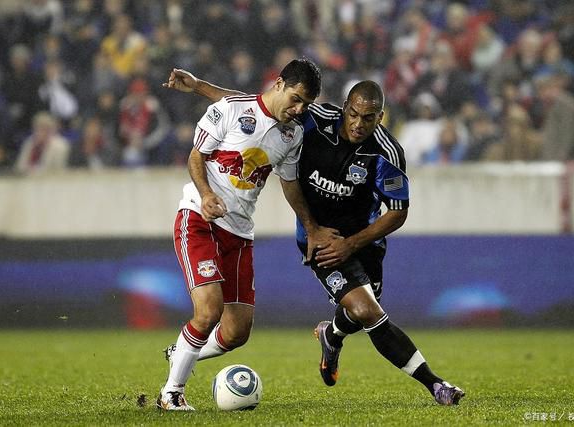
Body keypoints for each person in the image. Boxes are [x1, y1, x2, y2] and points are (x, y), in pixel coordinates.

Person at [163, 68, 466, 406]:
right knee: (367, 312)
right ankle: (436, 385)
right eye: (353, 114)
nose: (358, 124)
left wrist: (350, 244)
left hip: (361, 240)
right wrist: (201, 87)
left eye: (368, 118)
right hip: (319, 240)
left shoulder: (387, 153)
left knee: (352, 316)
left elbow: (398, 211)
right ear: (344, 107)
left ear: (380, 117)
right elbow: (256, 108)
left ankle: (331, 333)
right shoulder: (315, 119)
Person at [157, 58, 338, 411]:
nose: (299, 109)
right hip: (199, 218)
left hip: (239, 234)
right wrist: (207, 194)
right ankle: (171, 394)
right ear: (280, 83)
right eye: (297, 99)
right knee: (209, 312)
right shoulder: (230, 110)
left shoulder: (292, 133)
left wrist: (312, 228)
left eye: (306, 105)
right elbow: (196, 156)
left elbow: (289, 185)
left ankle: (181, 351)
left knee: (237, 332)